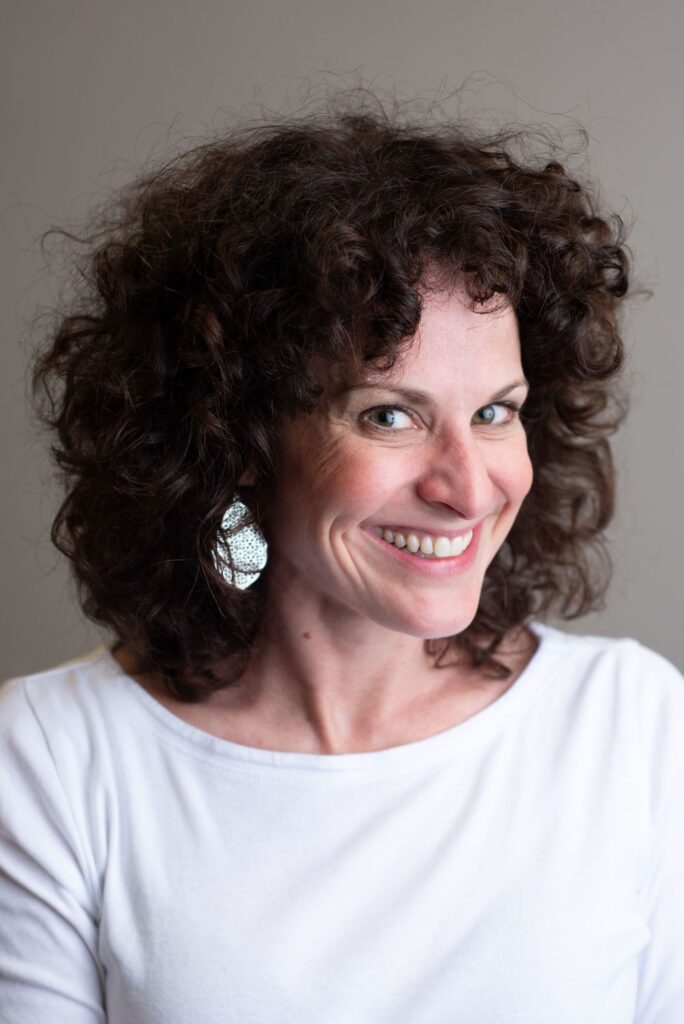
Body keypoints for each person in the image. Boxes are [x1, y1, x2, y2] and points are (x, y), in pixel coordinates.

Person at [1, 98, 682, 1024]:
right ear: (238, 439)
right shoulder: (48, 760)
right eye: (388, 415)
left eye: (495, 411)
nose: (470, 488)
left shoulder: (633, 728)